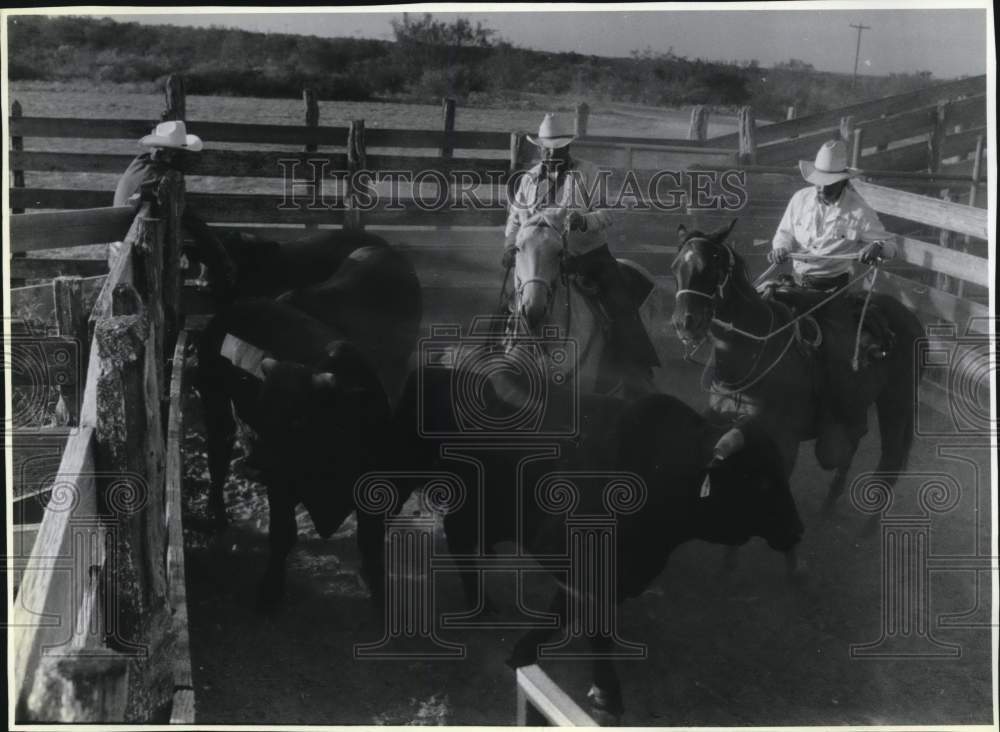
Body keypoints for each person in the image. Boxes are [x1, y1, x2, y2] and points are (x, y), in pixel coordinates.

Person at [503, 113, 659, 385]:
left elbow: (607, 213)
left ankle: (636, 372)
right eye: (547, 148)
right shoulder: (528, 180)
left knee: (619, 304)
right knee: (512, 300)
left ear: (568, 147)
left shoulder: (588, 172)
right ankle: (507, 356)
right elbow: (515, 219)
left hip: (588, 256)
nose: (552, 153)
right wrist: (509, 246)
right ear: (540, 148)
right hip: (542, 259)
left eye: (559, 147)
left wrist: (583, 220)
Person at [767, 139, 897, 442]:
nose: (822, 188)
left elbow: (889, 245)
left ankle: (843, 419)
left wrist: (875, 246)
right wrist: (780, 250)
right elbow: (783, 233)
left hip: (832, 293)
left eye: (829, 183)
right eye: (819, 182)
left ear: (843, 180)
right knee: (760, 313)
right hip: (796, 284)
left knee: (839, 355)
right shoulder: (800, 199)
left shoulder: (859, 211)